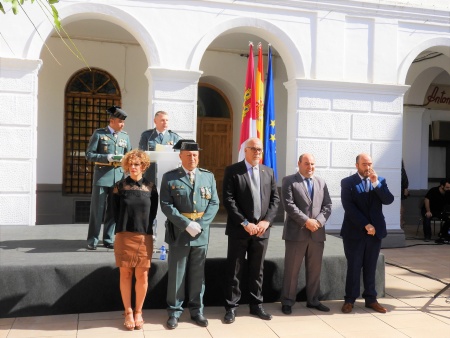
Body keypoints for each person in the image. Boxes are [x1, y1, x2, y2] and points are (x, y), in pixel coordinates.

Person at [159, 141, 219, 329]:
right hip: (179, 232)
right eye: (188, 155)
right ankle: (174, 311)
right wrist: (186, 224)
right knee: (177, 273)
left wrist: (200, 225)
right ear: (181, 156)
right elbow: (166, 205)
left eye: (195, 155)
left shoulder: (207, 177)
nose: (192, 158)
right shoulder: (170, 178)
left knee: (197, 274)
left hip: (200, 233)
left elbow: (214, 203)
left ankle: (196, 310)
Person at [222, 137, 280, 324]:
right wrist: (245, 223)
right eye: (253, 149)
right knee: (235, 269)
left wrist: (266, 222)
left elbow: (275, 200)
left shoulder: (268, 172)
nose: (257, 152)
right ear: (245, 150)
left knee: (258, 270)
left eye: (260, 150)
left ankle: (256, 305)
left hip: (261, 231)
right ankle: (231, 307)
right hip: (240, 230)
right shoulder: (233, 171)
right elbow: (229, 200)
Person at [340, 153, 394, 314]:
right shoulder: (348, 182)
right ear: (357, 165)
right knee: (354, 267)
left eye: (370, 164)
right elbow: (349, 207)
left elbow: (388, 200)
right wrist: (365, 224)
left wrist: (376, 183)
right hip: (355, 232)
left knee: (371, 266)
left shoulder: (380, 181)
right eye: (364, 164)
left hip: (375, 233)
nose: (368, 167)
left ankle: (371, 299)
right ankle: (350, 300)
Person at [280, 153, 332, 315]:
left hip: (316, 233)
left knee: (315, 270)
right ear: (299, 164)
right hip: (297, 233)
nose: (310, 167)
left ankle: (313, 300)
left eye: (313, 164)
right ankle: (288, 301)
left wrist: (318, 222)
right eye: (307, 164)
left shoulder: (321, 182)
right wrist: (306, 221)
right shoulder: (289, 181)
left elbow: (328, 205)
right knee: (292, 269)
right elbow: (289, 205)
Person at [112, 150, 158, 330]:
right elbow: (114, 212)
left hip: (143, 236)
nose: (133, 167)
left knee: (142, 275)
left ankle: (139, 311)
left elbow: (153, 213)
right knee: (125, 274)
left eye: (137, 164)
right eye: (130, 164)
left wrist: (143, 229)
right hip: (124, 235)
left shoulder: (151, 188)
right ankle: (128, 312)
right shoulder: (119, 187)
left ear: (144, 166)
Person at [85, 106, 132, 250]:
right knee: (97, 210)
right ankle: (92, 240)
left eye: (123, 122)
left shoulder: (125, 136)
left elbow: (129, 155)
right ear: (112, 121)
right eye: (120, 122)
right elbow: (89, 155)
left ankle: (108, 239)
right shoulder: (99, 134)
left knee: (113, 210)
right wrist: (107, 157)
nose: (122, 124)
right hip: (102, 177)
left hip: (118, 178)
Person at [400, 160, 409, 227]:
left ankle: (401, 220)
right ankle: (401, 220)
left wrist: (405, 188)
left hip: (400, 188)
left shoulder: (401, 169)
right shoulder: (401, 169)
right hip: (400, 188)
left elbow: (405, 179)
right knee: (400, 205)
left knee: (400, 205)